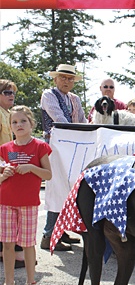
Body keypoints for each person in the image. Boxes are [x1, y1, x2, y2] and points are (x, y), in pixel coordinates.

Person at [0, 106, 52, 285]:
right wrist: (3, 176)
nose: (19, 125)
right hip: (5, 202)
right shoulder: (4, 149)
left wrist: (31, 167)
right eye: (14, 122)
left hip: (29, 203)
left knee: (28, 244)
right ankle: (8, 284)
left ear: (32, 124)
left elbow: (49, 174)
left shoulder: (40, 146)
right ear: (10, 126)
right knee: (7, 244)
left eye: (23, 121)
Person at [39, 64, 86, 251]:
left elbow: (81, 121)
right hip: (55, 145)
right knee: (57, 186)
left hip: (71, 145)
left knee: (68, 187)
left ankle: (60, 229)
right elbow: (59, 119)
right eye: (63, 77)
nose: (67, 81)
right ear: (55, 78)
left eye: (70, 78)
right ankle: (48, 234)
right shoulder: (48, 95)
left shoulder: (74, 99)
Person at [0, 82, 24, 271]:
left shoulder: (9, 115)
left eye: (13, 93)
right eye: (6, 92)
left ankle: (9, 251)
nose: (11, 95)